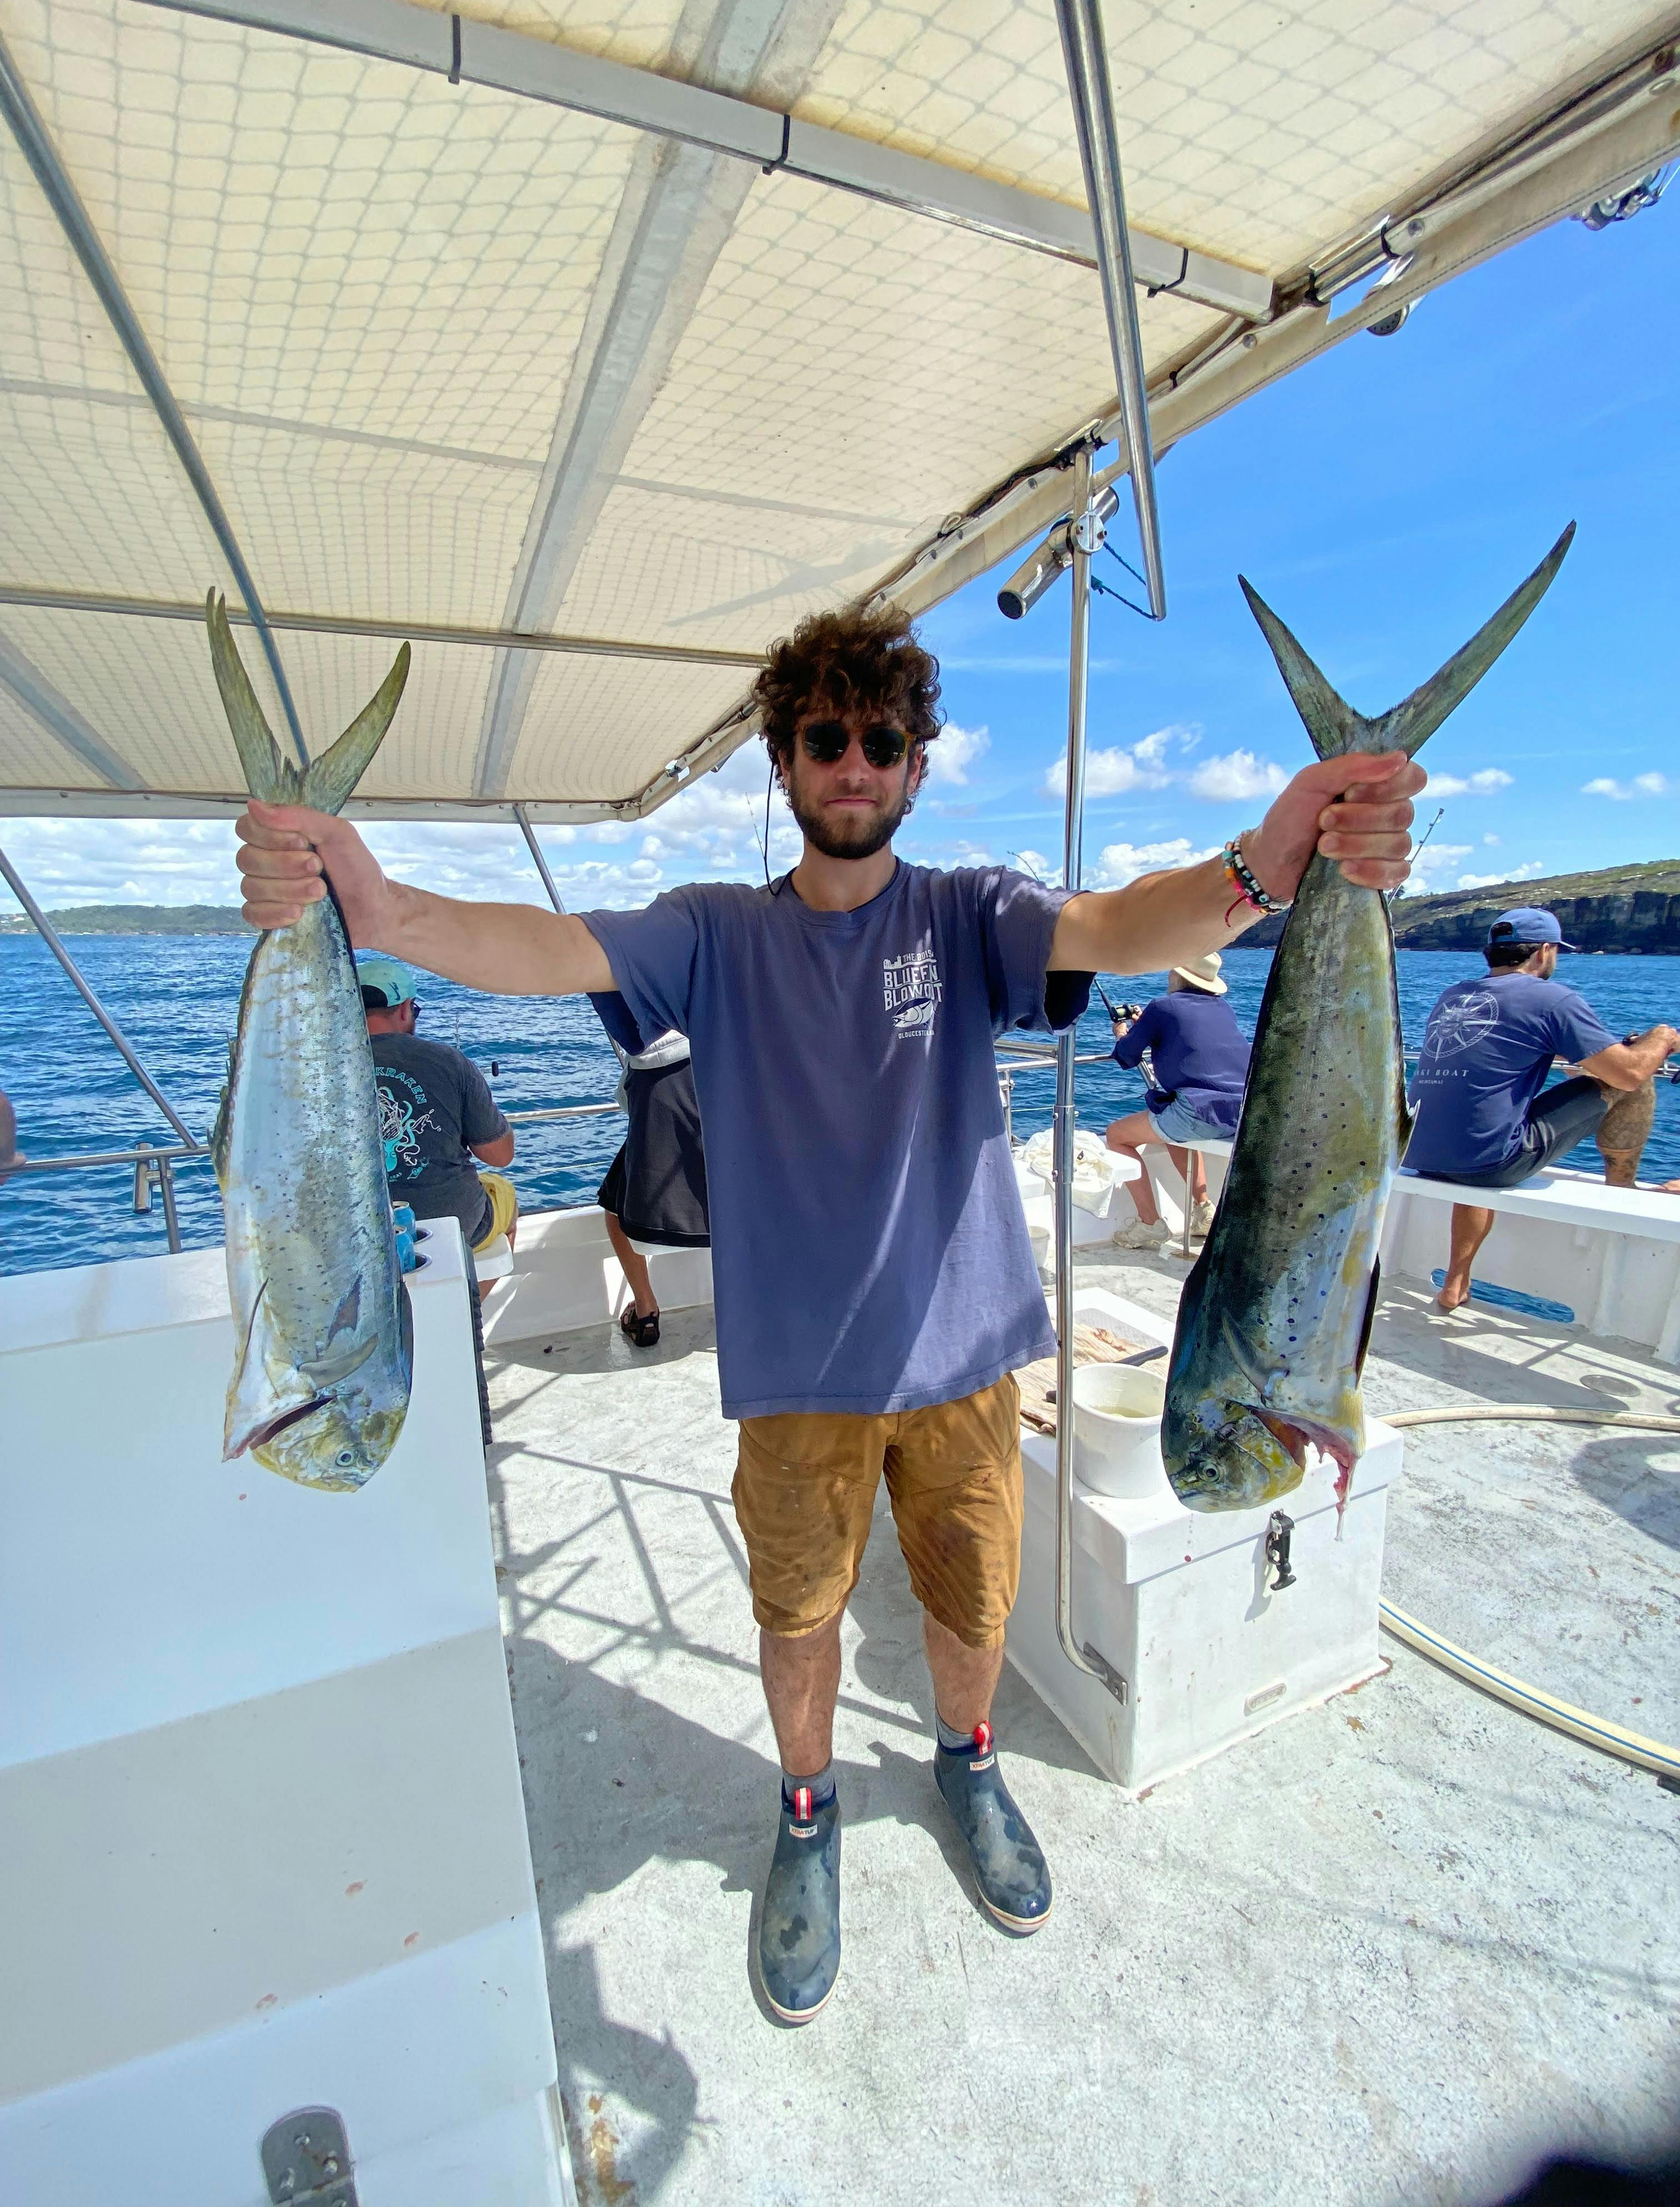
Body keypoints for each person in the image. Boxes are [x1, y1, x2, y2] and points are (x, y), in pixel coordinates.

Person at [236, 604, 1421, 2026]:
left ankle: (967, 1759)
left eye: (883, 740)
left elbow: (1116, 924)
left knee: (972, 1602)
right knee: (798, 1616)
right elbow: (545, 947)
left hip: (973, 1356)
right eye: (825, 739)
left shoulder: (969, 914)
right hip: (795, 1374)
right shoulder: (710, 935)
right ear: (783, 764)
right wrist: (383, 911)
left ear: (917, 765)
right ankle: (808, 1811)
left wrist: (1264, 864)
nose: (854, 763)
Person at [1403, 907, 1680, 1312]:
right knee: (1636, 1076)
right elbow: (1630, 1075)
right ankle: (1623, 1191)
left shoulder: (1456, 995)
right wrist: (1661, 1039)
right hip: (1490, 1161)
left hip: (1418, 1151)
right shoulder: (1553, 999)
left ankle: (1455, 1283)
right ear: (1544, 952)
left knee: (1484, 1123)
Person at [357, 957, 517, 1300]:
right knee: (504, 1193)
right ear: (403, 1010)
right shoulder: (449, 1061)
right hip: (451, 1220)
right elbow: (500, 1156)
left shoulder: (321, 1069)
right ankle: (466, 1312)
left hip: (355, 1228)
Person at [589, 989, 709, 1347]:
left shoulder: (642, 1063)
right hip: (723, 1179)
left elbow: (631, 1108)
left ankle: (645, 1311)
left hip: (656, 1189)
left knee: (614, 1206)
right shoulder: (720, 1037)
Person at [1104, 954, 1251, 1246]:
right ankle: (1203, 1209)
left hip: (1198, 1114)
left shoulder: (1162, 1007)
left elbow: (1126, 1056)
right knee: (1174, 1132)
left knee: (1116, 1136)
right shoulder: (1223, 1008)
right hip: (1243, 1112)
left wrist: (1122, 1033)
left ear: (1179, 976)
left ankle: (1150, 1224)